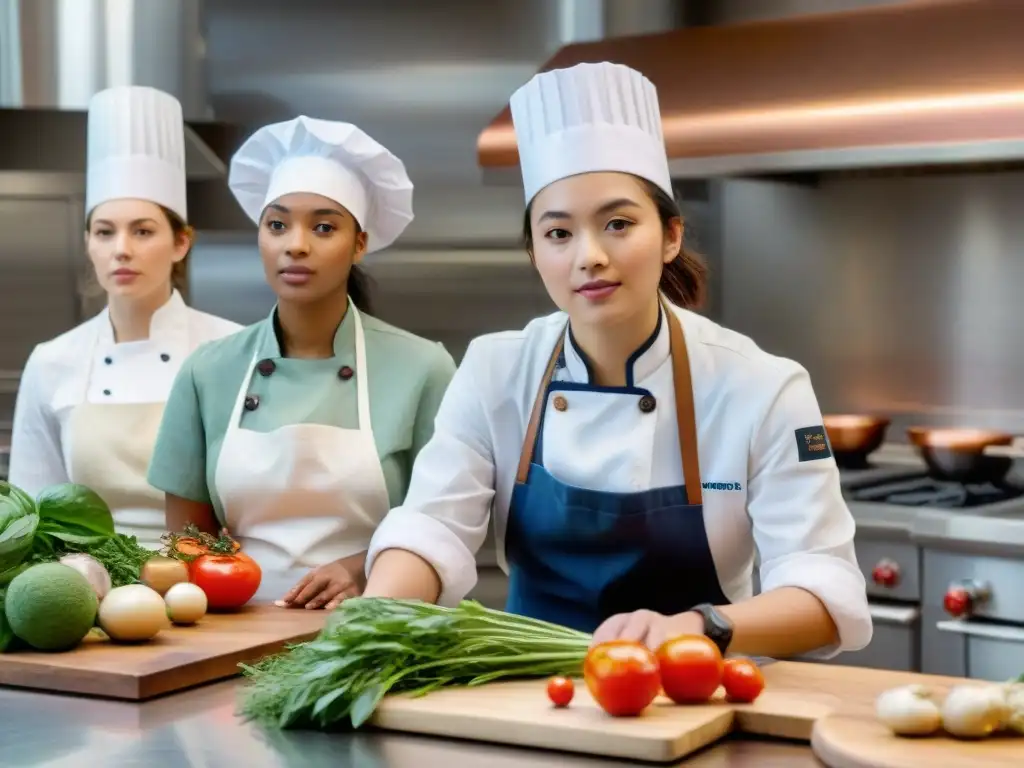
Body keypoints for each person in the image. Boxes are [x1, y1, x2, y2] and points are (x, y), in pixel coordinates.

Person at [361, 62, 872, 660]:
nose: (591, 256)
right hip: (529, 694)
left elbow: (822, 586)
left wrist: (699, 628)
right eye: (559, 234)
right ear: (534, 252)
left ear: (672, 235)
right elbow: (432, 527)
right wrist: (373, 621)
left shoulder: (762, 386)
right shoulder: (495, 369)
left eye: (619, 224)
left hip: (693, 690)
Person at [146, 115, 457, 610]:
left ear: (359, 244)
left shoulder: (423, 369)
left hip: (376, 625)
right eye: (277, 224)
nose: (296, 244)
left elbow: (444, 524)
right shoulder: (208, 371)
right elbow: (188, 539)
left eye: (324, 227)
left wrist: (361, 568)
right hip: (234, 627)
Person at [8, 85, 242, 549]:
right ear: (88, 243)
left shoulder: (232, 351)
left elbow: (256, 501)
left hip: (209, 585)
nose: (122, 250)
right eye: (105, 231)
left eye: (143, 231)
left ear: (181, 243)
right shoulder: (53, 361)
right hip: (83, 590)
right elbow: (31, 514)